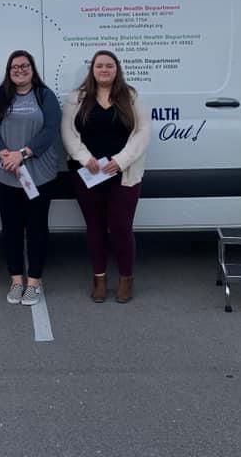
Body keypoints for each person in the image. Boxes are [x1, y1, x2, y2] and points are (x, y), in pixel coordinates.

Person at [61, 50, 150, 303]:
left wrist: (119, 162)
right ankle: (99, 279)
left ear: (116, 69)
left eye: (109, 66)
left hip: (123, 173)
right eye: (99, 66)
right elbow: (68, 132)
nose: (104, 70)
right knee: (95, 228)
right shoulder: (77, 98)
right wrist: (84, 158)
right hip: (88, 173)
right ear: (92, 70)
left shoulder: (130, 96)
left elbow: (142, 133)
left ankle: (126, 279)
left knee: (121, 228)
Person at [0, 50, 61, 306]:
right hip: (5, 173)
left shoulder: (44, 95)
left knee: (37, 228)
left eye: (25, 66)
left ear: (32, 68)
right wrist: (4, 154)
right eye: (15, 67)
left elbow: (51, 129)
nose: (20, 70)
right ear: (9, 70)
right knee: (11, 229)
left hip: (39, 174)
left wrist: (22, 154)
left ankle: (34, 282)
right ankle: (16, 280)